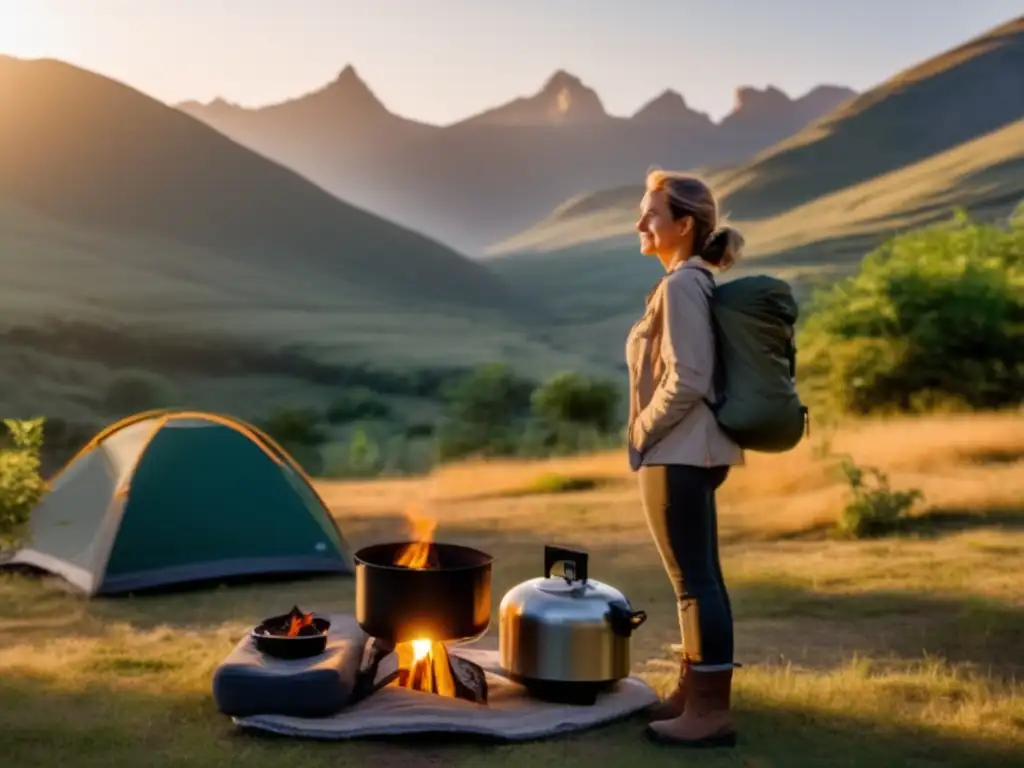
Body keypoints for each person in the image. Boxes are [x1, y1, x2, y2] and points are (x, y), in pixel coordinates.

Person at [625, 169, 745, 748]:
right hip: (691, 449)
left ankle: (709, 713)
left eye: (651, 213)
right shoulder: (688, 281)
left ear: (684, 224)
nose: (641, 222)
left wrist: (643, 432)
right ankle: (692, 693)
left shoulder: (681, 286)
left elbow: (689, 377)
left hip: (678, 452)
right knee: (696, 579)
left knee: (695, 582)